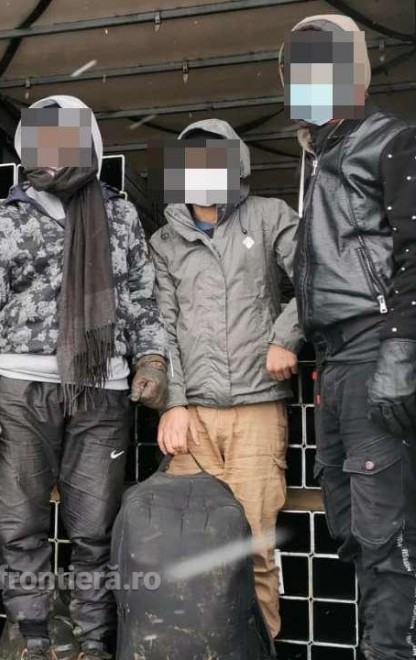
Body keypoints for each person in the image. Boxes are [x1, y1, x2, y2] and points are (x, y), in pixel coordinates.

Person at [0, 95, 169, 660]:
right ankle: (33, 636)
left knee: (94, 528)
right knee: (18, 523)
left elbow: (141, 298)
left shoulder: (120, 216)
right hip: (19, 388)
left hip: (103, 388)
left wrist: (152, 359)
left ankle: (91, 642)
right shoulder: (5, 221)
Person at [281, 14, 416, 659]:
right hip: (334, 360)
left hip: (373, 346)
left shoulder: (393, 140)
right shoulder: (322, 157)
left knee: (387, 531)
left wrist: (402, 346)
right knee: (352, 527)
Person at [151, 119, 302, 638]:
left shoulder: (269, 216)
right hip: (192, 416)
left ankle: (257, 647)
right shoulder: (165, 241)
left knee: (253, 549)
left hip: (257, 411)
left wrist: (287, 336)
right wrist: (172, 403)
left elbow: (316, 274)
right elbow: (161, 325)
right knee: (190, 547)